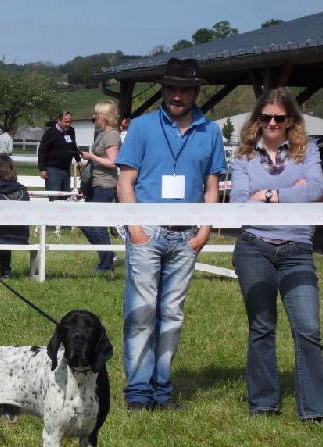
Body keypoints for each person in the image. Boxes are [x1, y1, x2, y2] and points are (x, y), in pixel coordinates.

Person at [116, 57, 227, 411]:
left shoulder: (210, 131)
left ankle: (162, 390)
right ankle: (137, 392)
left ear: (196, 92)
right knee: (141, 311)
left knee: (172, 314)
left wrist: (205, 229)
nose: (177, 95)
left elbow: (213, 185)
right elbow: (125, 182)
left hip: (186, 237)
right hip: (147, 231)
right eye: (171, 88)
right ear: (163, 90)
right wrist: (135, 230)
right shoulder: (143, 127)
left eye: (185, 89)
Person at [230, 88, 323, 423]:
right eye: (266, 117)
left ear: (291, 120)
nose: (272, 123)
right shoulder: (244, 157)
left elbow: (316, 190)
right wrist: (294, 191)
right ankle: (263, 404)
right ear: (257, 120)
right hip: (253, 247)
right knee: (261, 325)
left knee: (307, 328)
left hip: (297, 251)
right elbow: (237, 205)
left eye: (279, 117)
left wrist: (270, 194)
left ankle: (316, 411)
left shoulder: (309, 152)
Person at [79, 101, 121, 274]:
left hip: (105, 185)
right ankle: (107, 256)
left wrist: (93, 157)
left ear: (104, 116)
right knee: (85, 222)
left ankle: (106, 262)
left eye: (97, 114)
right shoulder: (101, 134)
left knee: (96, 224)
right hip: (95, 183)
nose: (95, 117)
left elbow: (113, 162)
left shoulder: (112, 135)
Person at [37, 110, 82, 201]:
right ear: (59, 121)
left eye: (70, 122)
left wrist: (78, 159)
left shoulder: (71, 131)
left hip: (66, 169)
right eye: (66, 122)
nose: (68, 124)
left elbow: (73, 145)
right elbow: (42, 151)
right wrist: (42, 169)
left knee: (65, 197)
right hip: (53, 170)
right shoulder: (50, 133)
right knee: (54, 197)